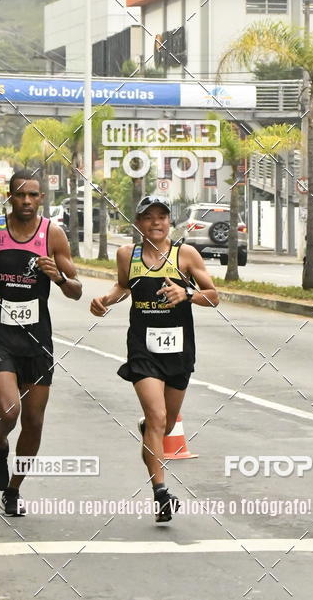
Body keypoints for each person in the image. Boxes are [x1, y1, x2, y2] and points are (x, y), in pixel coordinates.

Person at [0, 170, 82, 516]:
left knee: (35, 421)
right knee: (9, 410)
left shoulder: (52, 235)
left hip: (37, 338)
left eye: (33, 196)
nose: (26, 201)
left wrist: (58, 277)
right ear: (9, 197)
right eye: (20, 195)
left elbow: (76, 290)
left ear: (41, 198)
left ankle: (13, 490)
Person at [90, 195, 219, 523]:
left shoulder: (185, 255)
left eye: (163, 217)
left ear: (169, 222)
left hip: (179, 351)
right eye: (149, 217)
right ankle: (161, 493)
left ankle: (150, 428)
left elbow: (214, 296)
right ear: (139, 223)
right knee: (158, 416)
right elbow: (123, 286)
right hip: (143, 350)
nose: (157, 223)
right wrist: (105, 300)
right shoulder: (127, 255)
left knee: (165, 421)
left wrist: (186, 294)